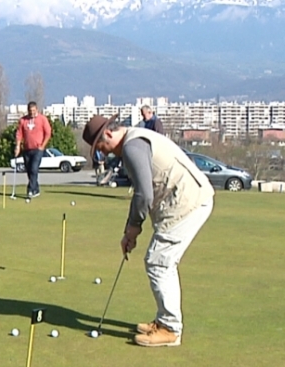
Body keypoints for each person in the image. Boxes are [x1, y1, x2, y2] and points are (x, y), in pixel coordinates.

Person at [82, 114, 215, 347]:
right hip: (189, 198)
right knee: (160, 260)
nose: (105, 153)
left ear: (109, 134)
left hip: (188, 202)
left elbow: (144, 194)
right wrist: (130, 228)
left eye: (102, 147)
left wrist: (133, 229)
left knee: (159, 262)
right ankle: (164, 320)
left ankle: (170, 329)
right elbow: (141, 194)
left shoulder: (133, 147)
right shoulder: (136, 139)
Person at [14, 101, 52, 199]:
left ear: (37, 109)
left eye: (34, 110)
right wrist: (18, 146)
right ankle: (36, 188)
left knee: (34, 168)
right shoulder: (23, 120)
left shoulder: (42, 119)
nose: (32, 113)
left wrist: (43, 145)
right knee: (29, 170)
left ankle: (30, 190)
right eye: (30, 111)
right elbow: (19, 134)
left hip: (38, 149)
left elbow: (48, 133)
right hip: (27, 149)